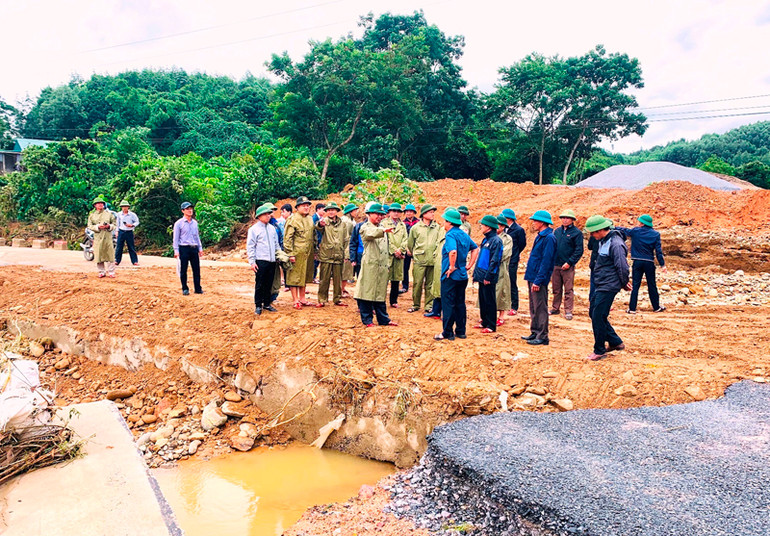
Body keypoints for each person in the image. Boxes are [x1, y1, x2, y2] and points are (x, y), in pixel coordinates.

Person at [584, 215, 631, 361]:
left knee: (598, 316)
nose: (592, 236)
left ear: (600, 230)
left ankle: (599, 350)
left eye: (593, 233)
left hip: (609, 285)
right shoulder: (604, 241)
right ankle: (615, 341)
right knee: (594, 312)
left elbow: (622, 266)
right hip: (601, 283)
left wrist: (624, 283)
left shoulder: (615, 244)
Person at [434, 208, 478, 340]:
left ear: (449, 222)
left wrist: (451, 267)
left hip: (450, 276)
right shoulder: (464, 234)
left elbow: (452, 251)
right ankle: (461, 331)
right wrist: (469, 265)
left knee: (448, 304)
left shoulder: (450, 235)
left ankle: (447, 332)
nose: (443, 223)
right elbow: (475, 248)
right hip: (462, 275)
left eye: (445, 221)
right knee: (460, 303)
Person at [355, 203, 398, 327]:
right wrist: (383, 230)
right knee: (366, 292)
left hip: (382, 266)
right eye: (376, 214)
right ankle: (367, 319)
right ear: (369, 214)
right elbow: (370, 234)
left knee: (380, 293)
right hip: (370, 265)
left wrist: (387, 264)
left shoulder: (382, 227)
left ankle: (383, 319)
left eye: (381, 214)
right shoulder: (365, 227)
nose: (379, 217)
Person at [615, 214, 667, 314]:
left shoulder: (636, 231)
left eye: (639, 221)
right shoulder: (656, 234)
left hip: (637, 261)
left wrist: (613, 227)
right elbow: (658, 252)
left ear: (642, 223)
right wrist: (662, 265)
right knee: (652, 285)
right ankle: (656, 307)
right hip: (649, 262)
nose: (638, 223)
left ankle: (632, 308)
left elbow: (624, 230)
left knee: (635, 285)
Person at [522, 210, 556, 345]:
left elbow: (546, 261)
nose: (533, 223)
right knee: (533, 306)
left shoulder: (549, 238)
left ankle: (542, 335)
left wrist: (538, 280)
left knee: (540, 307)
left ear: (542, 222)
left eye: (535, 221)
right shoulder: (541, 236)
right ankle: (535, 331)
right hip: (533, 276)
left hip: (538, 278)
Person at [550, 209, 584, 320]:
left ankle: (568, 310)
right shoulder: (557, 231)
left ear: (572, 220)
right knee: (556, 289)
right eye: (563, 218)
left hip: (568, 266)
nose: (565, 220)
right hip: (556, 264)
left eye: (567, 218)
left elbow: (579, 250)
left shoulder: (576, 233)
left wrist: (570, 262)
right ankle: (555, 308)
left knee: (568, 289)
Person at [315, 202, 350, 307]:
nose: (331, 212)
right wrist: (320, 225)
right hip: (326, 255)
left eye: (333, 210)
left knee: (338, 279)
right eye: (329, 210)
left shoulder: (343, 224)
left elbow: (346, 239)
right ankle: (322, 299)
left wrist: (346, 254)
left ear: (337, 211)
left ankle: (337, 299)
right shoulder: (324, 222)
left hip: (338, 254)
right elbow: (318, 227)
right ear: (326, 211)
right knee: (324, 279)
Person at [247, 204, 280, 315]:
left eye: (268, 214)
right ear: (259, 216)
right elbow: (251, 246)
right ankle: (258, 305)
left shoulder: (272, 229)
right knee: (260, 283)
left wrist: (278, 255)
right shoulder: (254, 229)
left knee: (269, 283)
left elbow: (276, 244)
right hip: (261, 260)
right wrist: (252, 262)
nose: (268, 216)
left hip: (272, 260)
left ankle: (266, 303)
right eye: (265, 214)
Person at [473, 215, 504, 333]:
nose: (481, 226)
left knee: (490, 300)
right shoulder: (486, 240)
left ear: (489, 227)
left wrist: (489, 276)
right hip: (482, 275)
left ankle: (491, 325)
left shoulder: (496, 241)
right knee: (483, 299)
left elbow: (495, 260)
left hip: (488, 276)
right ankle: (484, 321)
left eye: (483, 225)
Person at [407, 204, 440, 313]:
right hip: (419, 260)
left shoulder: (437, 227)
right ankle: (415, 304)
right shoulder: (415, 228)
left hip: (432, 260)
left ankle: (428, 305)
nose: (433, 214)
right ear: (424, 214)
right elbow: (410, 244)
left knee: (430, 284)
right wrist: (416, 254)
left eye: (433, 212)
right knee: (417, 283)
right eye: (430, 212)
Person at [284, 196, 316, 309]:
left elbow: (313, 236)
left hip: (308, 252)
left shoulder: (310, 219)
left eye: (307, 205)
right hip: (297, 253)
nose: (306, 207)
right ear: (297, 207)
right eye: (303, 206)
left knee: (304, 275)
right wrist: (290, 253)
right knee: (294, 276)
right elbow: (288, 238)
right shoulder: (292, 219)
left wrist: (315, 250)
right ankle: (295, 300)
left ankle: (302, 298)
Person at [173, 201, 204, 295]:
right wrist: (176, 250)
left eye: (191, 209)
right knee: (183, 269)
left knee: (196, 269)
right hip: (184, 248)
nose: (190, 210)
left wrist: (200, 248)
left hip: (194, 248)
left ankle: (198, 288)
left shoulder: (194, 223)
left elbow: (197, 236)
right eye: (187, 209)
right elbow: (176, 238)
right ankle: (185, 288)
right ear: (183, 211)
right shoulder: (179, 223)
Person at [383, 203, 408, 307]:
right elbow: (385, 239)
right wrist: (394, 250)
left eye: (398, 211)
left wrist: (401, 250)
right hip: (387, 255)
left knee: (396, 279)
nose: (396, 213)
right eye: (394, 211)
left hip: (399, 256)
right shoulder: (384, 223)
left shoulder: (402, 225)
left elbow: (405, 239)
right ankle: (380, 301)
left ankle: (393, 301)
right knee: (384, 279)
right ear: (389, 212)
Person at [503, 208, 526, 316]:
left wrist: (514, 253)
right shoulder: (502, 228)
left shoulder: (518, 230)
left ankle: (514, 306)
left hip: (512, 260)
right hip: (503, 259)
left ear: (509, 218)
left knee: (512, 281)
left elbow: (522, 244)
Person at [88, 196, 117, 278]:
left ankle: (111, 272)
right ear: (95, 205)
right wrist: (97, 227)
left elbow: (114, 224)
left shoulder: (109, 214)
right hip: (98, 237)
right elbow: (89, 226)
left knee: (110, 255)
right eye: (98, 203)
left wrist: (109, 226)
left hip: (107, 237)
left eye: (101, 203)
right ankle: (101, 271)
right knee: (98, 255)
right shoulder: (92, 215)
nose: (100, 205)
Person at [495, 214, 513, 326]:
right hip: (489, 269)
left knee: (502, 292)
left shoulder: (507, 239)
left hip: (501, 268)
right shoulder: (489, 237)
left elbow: (504, 254)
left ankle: (501, 316)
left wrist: (493, 258)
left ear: (502, 227)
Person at [341, 203, 358, 297]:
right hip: (347, 248)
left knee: (346, 270)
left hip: (347, 247)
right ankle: (341, 289)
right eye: (355, 211)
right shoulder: (347, 222)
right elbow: (347, 237)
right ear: (350, 212)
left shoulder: (350, 220)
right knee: (345, 270)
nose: (356, 212)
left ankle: (342, 288)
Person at [115, 200, 139, 266]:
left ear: (128, 207)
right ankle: (117, 260)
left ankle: (134, 261)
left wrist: (132, 225)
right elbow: (117, 223)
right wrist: (117, 231)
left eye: (126, 206)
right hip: (121, 231)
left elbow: (137, 221)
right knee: (119, 247)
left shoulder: (132, 215)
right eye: (123, 207)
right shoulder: (119, 214)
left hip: (129, 232)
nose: (124, 208)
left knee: (131, 247)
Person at [402, 204, 419, 293]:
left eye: (410, 211)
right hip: (407, 248)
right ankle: (405, 286)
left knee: (418, 268)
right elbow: (403, 237)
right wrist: (407, 248)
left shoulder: (419, 223)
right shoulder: (403, 224)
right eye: (407, 211)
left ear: (414, 213)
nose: (408, 213)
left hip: (417, 248)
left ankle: (418, 285)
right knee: (405, 268)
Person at [312, 203, 326, 283]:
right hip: (316, 243)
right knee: (315, 260)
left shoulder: (321, 218)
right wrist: (318, 242)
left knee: (317, 260)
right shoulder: (314, 218)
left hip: (319, 242)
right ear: (318, 209)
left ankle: (314, 276)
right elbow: (316, 232)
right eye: (323, 210)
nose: (324, 212)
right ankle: (313, 277)